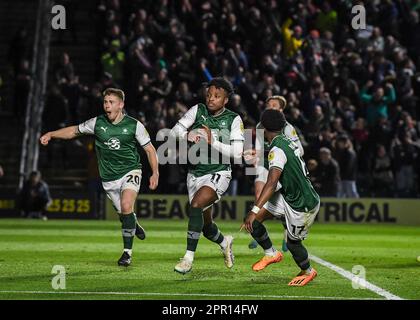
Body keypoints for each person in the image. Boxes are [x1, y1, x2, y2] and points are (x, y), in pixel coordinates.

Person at [40, 88, 159, 267]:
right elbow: (74, 131)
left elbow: (150, 150)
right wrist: (51, 134)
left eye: (111, 102)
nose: (107, 105)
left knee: (127, 205)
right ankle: (133, 223)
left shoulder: (135, 125)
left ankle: (127, 253)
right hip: (109, 178)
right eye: (105, 102)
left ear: (121, 105)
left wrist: (155, 172)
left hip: (131, 171)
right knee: (124, 214)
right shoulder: (97, 123)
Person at [170, 77, 244, 274]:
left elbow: (237, 153)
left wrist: (213, 142)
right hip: (194, 174)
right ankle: (224, 242)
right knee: (205, 225)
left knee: (195, 205)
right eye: (209, 95)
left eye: (217, 96)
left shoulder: (234, 119)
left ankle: (187, 259)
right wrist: (186, 135)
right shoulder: (197, 110)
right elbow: (174, 131)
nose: (211, 99)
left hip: (219, 172)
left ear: (226, 100)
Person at [241, 109, 320, 287]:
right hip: (289, 196)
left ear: (264, 128)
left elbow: (271, 183)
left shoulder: (277, 149)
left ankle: (308, 271)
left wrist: (254, 210)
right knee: (253, 223)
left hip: (302, 205)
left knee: (293, 244)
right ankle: (271, 253)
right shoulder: (284, 141)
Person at [245, 95, 304, 251]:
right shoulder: (260, 126)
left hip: (281, 167)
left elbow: (301, 150)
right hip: (264, 164)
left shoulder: (287, 128)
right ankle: (258, 233)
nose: (270, 106)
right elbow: (258, 150)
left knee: (281, 203)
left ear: (280, 109)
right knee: (259, 196)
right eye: (268, 104)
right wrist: (252, 155)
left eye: (274, 105)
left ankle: (287, 234)